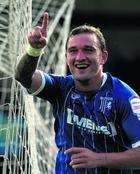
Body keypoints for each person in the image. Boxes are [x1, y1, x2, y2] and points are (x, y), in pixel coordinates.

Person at [15, 12, 140, 174]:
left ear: (103, 57)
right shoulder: (60, 88)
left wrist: (99, 159)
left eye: (88, 50)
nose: (80, 57)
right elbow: (23, 77)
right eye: (73, 51)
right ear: (66, 57)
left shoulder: (124, 97)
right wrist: (34, 50)